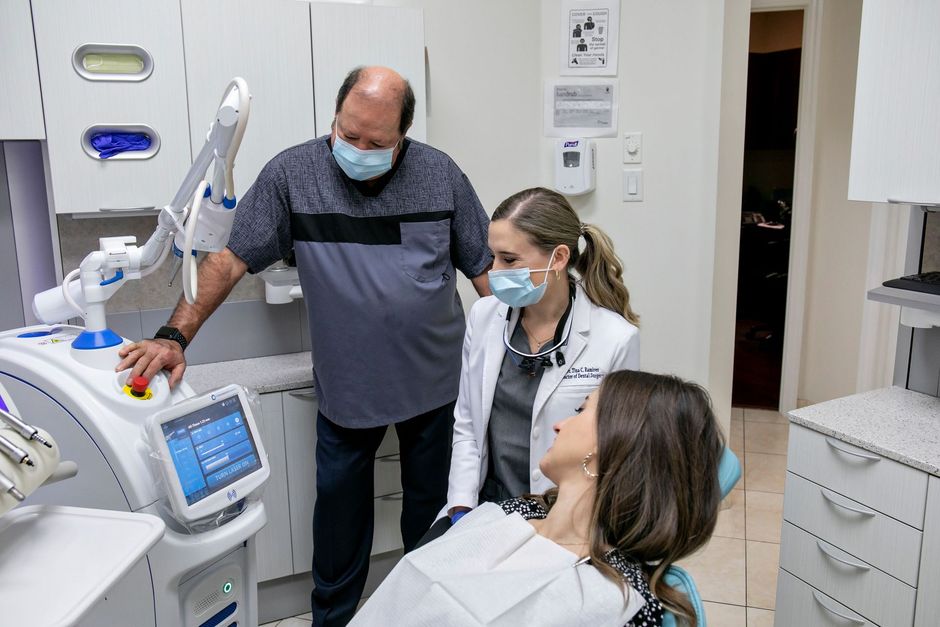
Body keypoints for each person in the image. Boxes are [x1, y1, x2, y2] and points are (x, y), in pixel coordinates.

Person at [115, 66, 493, 626]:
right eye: (348, 133)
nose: (359, 149)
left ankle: (431, 616)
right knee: (339, 533)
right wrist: (174, 336)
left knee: (433, 524)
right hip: (348, 391)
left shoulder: (441, 176)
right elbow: (229, 260)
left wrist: (522, 354)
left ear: (404, 137)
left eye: (377, 142)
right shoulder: (293, 175)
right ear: (334, 117)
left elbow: (487, 272)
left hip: (437, 388)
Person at [352, 370, 726, 627]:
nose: (561, 423)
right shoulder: (512, 510)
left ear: (609, 443)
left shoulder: (624, 601)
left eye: (582, 410)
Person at [445, 187, 640, 523]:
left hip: (565, 515)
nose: (494, 271)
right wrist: (461, 505)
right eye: (493, 256)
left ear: (559, 258)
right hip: (488, 506)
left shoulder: (616, 339)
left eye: (508, 259)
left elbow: (616, 452)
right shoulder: (484, 316)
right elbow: (467, 425)